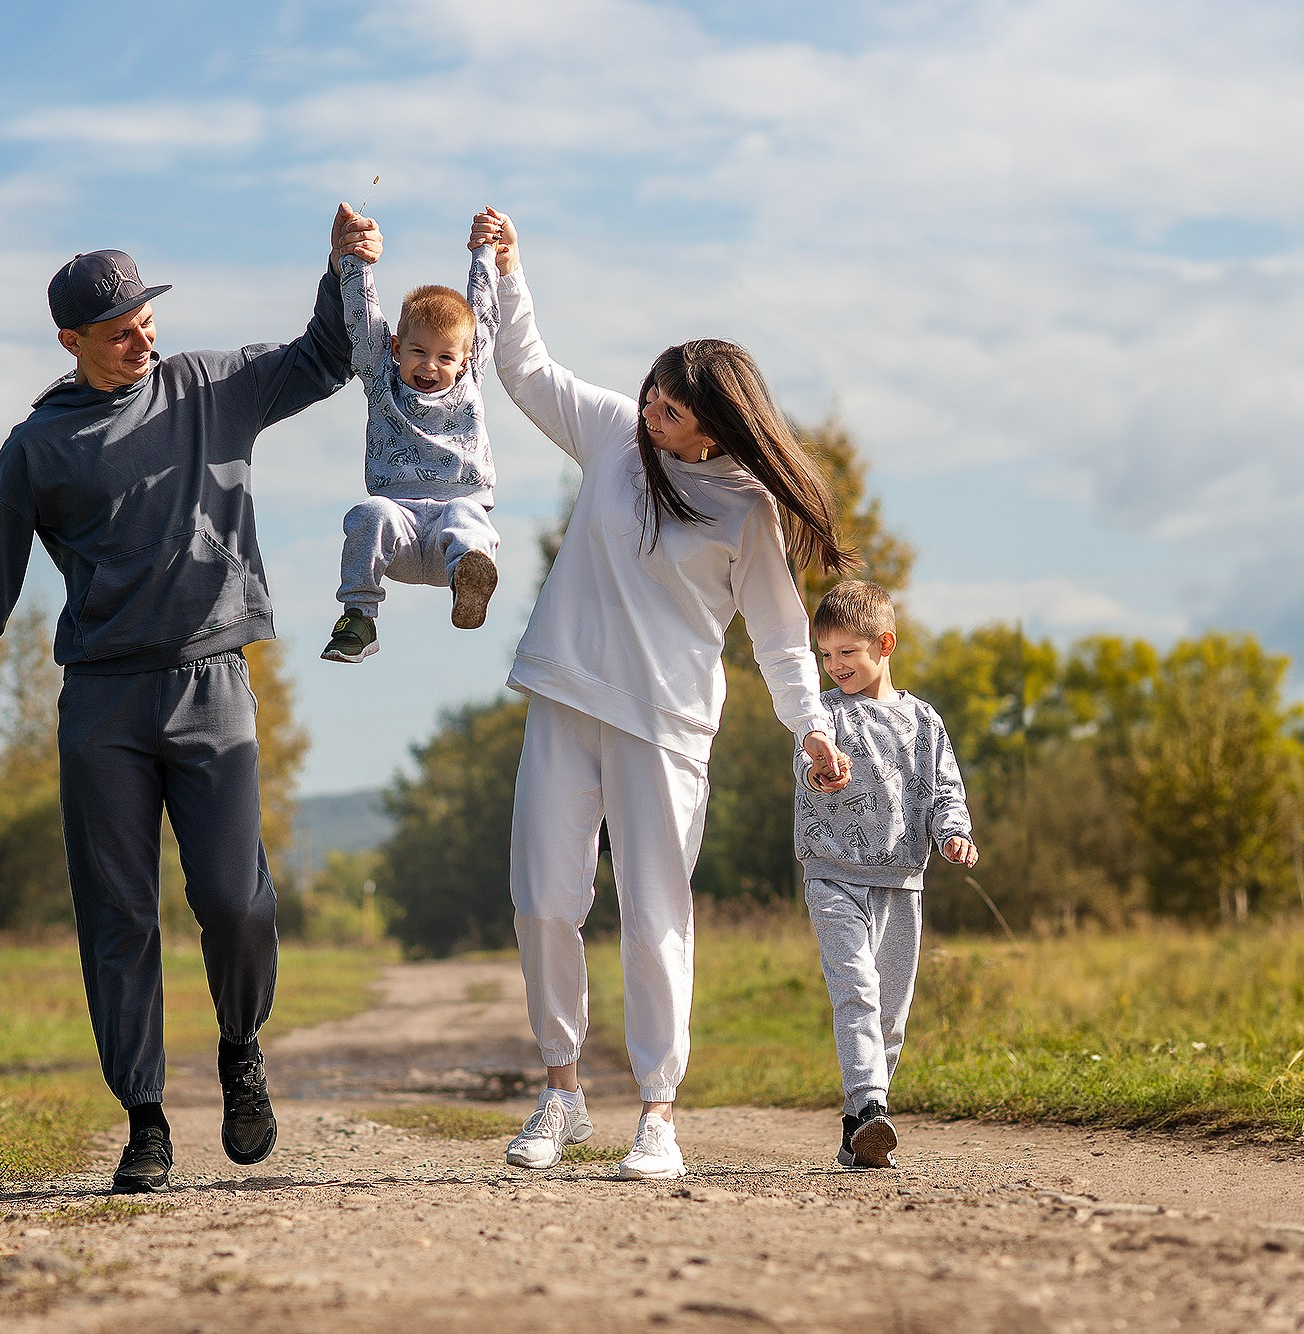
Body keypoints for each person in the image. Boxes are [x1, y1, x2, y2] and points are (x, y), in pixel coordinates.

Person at [0, 206, 381, 1193]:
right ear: (71, 341)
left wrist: (342, 268)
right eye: (119, 326)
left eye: (144, 315)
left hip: (212, 681)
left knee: (233, 900)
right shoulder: (34, 451)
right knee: (118, 916)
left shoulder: (212, 387)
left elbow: (325, 357)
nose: (143, 334)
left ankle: (239, 1045)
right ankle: (144, 1119)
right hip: (102, 706)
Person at [470, 207, 856, 1181]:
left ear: (715, 423)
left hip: (666, 725)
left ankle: (656, 1112)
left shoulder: (746, 508)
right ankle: (559, 1091)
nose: (650, 409)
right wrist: (508, 273)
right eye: (650, 392)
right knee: (542, 901)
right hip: (565, 695)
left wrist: (809, 725)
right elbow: (525, 372)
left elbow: (776, 636)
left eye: (671, 406)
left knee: (652, 916)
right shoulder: (609, 433)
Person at [794, 579, 978, 1169]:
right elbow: (807, 768)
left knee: (891, 1013)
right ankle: (869, 1103)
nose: (835, 666)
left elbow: (945, 787)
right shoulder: (821, 714)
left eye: (848, 652)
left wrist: (953, 833)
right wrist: (821, 769)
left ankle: (861, 1125)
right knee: (857, 992)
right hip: (833, 876)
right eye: (825, 655)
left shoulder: (924, 722)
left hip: (901, 882)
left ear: (885, 645)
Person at [320, 232, 502, 663]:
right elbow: (362, 318)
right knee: (369, 513)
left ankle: (470, 579)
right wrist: (354, 261)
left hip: (447, 541)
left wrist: (485, 251)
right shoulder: (381, 375)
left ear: (466, 358)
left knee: (466, 513)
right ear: (397, 348)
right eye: (418, 352)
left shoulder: (472, 377)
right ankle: (359, 619)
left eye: (444, 357)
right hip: (397, 530)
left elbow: (485, 314)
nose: (430, 366)